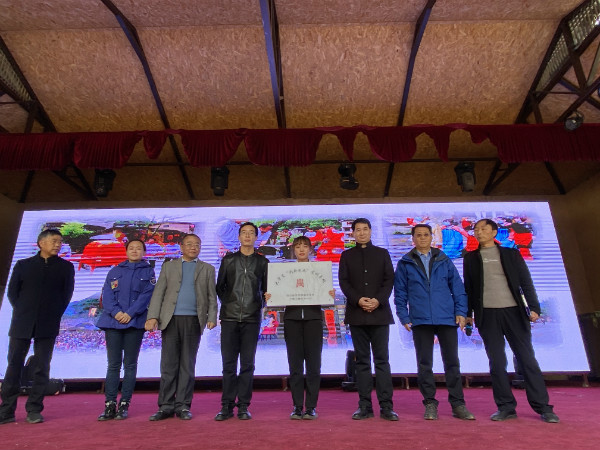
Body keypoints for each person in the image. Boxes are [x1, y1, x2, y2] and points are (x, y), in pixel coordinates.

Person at [463, 218, 559, 423]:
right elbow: (469, 288)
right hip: (487, 315)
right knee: (497, 362)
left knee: (527, 359)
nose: (478, 232)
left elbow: (526, 281)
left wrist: (534, 308)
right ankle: (506, 407)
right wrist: (468, 313)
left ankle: (544, 407)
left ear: (494, 232)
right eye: (476, 229)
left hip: (514, 312)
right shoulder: (470, 258)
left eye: (483, 229)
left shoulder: (511, 254)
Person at [394, 224, 475, 421]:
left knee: (452, 363)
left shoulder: (444, 260)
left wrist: (461, 312)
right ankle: (430, 403)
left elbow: (458, 288)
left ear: (432, 237)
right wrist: (404, 316)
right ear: (413, 238)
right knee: (424, 364)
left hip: (446, 318)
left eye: (426, 235)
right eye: (418, 235)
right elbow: (400, 293)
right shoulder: (405, 263)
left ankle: (458, 404)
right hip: (420, 319)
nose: (422, 238)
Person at [0, 229, 75, 425]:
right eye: (54, 241)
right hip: (22, 322)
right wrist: (24, 310)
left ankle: (34, 409)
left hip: (48, 322)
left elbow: (66, 295)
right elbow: (13, 293)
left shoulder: (66, 267)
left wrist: (52, 313)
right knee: (14, 365)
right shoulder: (23, 265)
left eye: (60, 241)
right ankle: (6, 410)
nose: (58, 244)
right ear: (41, 243)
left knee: (42, 366)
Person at [145, 234, 217, 421]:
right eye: (190, 244)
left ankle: (183, 405)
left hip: (193, 320)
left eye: (197, 245)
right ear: (181, 247)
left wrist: (212, 316)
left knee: (187, 364)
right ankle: (165, 406)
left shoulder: (208, 269)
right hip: (170, 320)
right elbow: (158, 293)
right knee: (168, 364)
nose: (194, 247)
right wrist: (152, 316)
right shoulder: (169, 267)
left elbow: (211, 295)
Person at [265, 236, 335, 420]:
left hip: (313, 320)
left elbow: (327, 299)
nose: (301, 250)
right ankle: (297, 406)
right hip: (292, 320)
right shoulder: (286, 271)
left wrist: (330, 294)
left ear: (310, 249)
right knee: (295, 365)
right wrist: (271, 296)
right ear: (293, 250)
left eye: (305, 246)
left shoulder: (319, 270)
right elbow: (279, 295)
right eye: (298, 247)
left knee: (314, 366)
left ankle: (311, 407)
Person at [338, 218, 398, 421]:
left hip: (380, 314)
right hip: (357, 314)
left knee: (382, 361)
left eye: (365, 229)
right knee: (362, 362)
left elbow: (389, 280)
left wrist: (378, 300)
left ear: (371, 231)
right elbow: (344, 282)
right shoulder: (346, 255)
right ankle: (364, 406)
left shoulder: (382, 253)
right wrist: (358, 300)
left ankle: (386, 406)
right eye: (358, 230)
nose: (362, 233)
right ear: (353, 233)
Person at [96, 239, 155, 421]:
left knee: (130, 364)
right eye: (131, 248)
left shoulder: (149, 272)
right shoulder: (115, 271)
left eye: (139, 248)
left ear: (144, 252)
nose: (135, 251)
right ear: (126, 251)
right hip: (113, 322)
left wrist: (130, 313)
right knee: (113, 364)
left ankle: (124, 404)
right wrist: (116, 313)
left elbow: (147, 296)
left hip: (134, 322)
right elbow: (107, 295)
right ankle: (109, 404)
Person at [214, 222, 268, 421]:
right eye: (244, 233)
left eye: (251, 233)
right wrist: (229, 303)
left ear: (256, 237)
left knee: (247, 364)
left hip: (252, 318)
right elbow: (220, 287)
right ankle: (226, 405)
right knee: (228, 364)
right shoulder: (228, 260)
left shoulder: (263, 262)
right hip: (229, 318)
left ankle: (244, 405)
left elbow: (267, 289)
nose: (247, 236)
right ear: (238, 237)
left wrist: (259, 303)